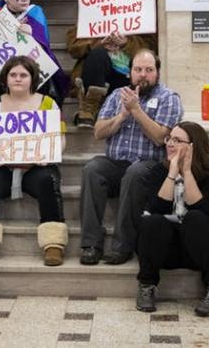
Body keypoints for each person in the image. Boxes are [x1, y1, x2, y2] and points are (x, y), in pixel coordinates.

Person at [79, 49, 183, 265]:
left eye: (148, 70)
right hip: (117, 163)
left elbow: (159, 137)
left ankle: (122, 246)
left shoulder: (168, 98)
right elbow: (98, 132)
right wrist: (122, 116)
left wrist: (136, 110)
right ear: (130, 73)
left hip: (149, 166)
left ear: (157, 73)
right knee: (92, 169)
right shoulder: (117, 95)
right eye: (138, 69)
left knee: (134, 173)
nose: (143, 74)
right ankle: (91, 244)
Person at [0, 56, 68, 267]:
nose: (18, 79)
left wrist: (49, 155)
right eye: (13, 74)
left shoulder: (48, 103)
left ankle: (53, 243)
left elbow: (60, 140)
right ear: (5, 78)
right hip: (2, 168)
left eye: (23, 75)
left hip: (36, 167)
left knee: (48, 179)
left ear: (32, 78)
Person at [135, 121, 209, 316]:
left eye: (177, 140)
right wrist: (173, 173)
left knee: (195, 218)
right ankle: (146, 285)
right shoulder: (158, 172)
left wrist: (187, 172)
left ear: (192, 146)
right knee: (151, 221)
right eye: (169, 139)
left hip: (200, 246)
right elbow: (156, 208)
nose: (170, 144)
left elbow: (202, 209)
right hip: (167, 247)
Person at [68, 0, 157, 127]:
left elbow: (152, 50)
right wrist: (97, 42)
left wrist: (127, 43)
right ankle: (88, 110)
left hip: (127, 77)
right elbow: (73, 48)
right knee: (98, 53)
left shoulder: (143, 19)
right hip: (98, 74)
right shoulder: (91, 16)